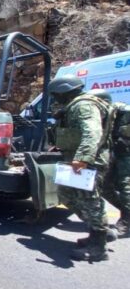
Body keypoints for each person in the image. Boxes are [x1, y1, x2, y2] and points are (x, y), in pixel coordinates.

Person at [50, 75, 114, 262]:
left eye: (55, 94)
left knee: (90, 201)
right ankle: (98, 231)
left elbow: (92, 132)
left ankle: (98, 247)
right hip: (77, 160)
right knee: (66, 194)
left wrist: (83, 158)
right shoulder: (76, 105)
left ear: (64, 91)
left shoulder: (83, 105)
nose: (55, 98)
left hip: (87, 161)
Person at [86, 89, 130, 237]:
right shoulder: (100, 116)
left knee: (125, 186)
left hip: (125, 155)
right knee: (105, 187)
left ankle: (127, 221)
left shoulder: (123, 111)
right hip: (113, 154)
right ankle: (126, 211)